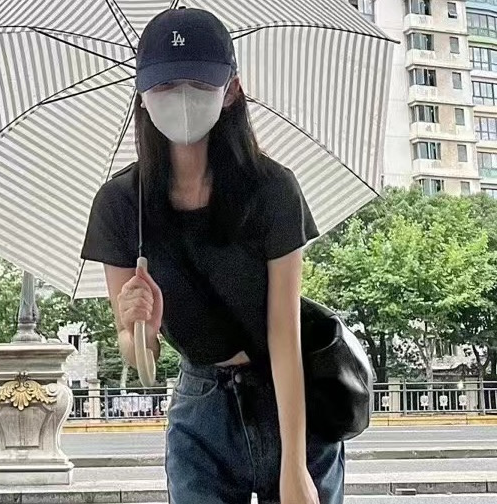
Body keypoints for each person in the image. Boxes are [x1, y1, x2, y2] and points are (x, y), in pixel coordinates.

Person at [81, 7, 344, 504]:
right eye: (165, 86)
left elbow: (284, 332)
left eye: (199, 84)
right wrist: (140, 328)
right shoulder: (120, 203)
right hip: (200, 410)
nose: (181, 99)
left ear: (231, 90)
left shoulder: (272, 189)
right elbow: (138, 355)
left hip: (290, 401)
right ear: (142, 95)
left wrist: (294, 466)